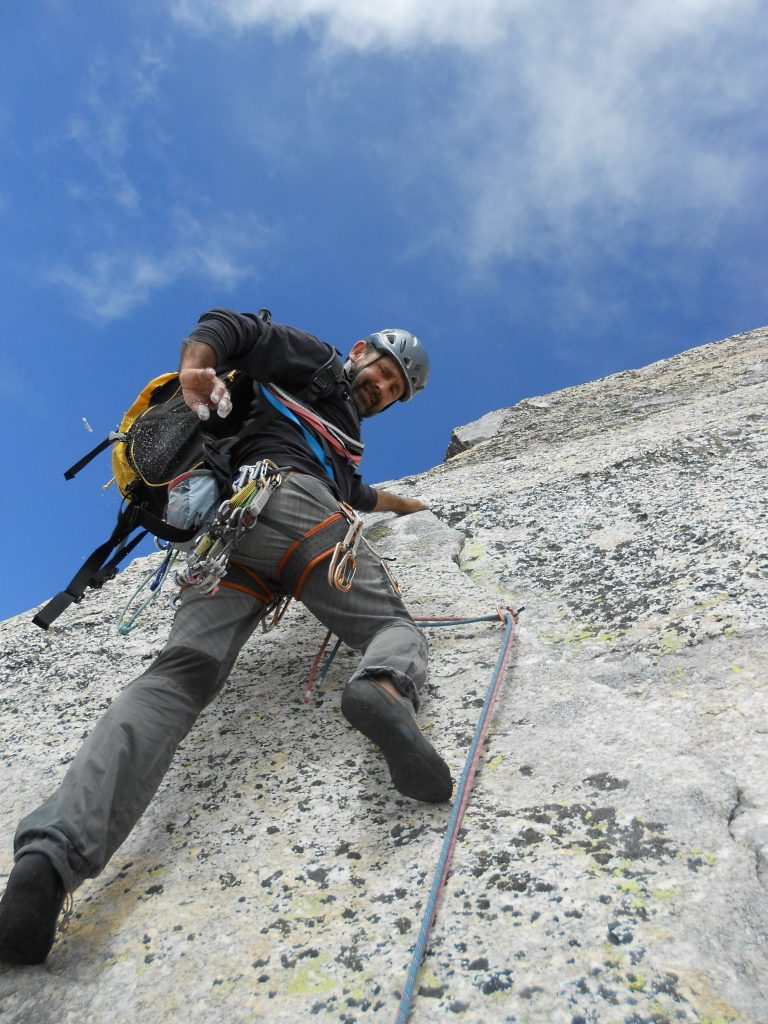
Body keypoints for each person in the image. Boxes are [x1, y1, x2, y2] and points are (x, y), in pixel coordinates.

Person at [0, 309, 452, 966]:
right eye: (382, 372)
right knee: (389, 625)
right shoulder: (315, 360)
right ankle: (384, 686)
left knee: (175, 678)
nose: (380, 389)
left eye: (392, 391)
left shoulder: (337, 434)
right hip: (293, 510)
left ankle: (45, 865)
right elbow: (233, 326)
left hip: (228, 537)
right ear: (359, 351)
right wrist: (195, 368)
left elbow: (353, 490)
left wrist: (405, 505)